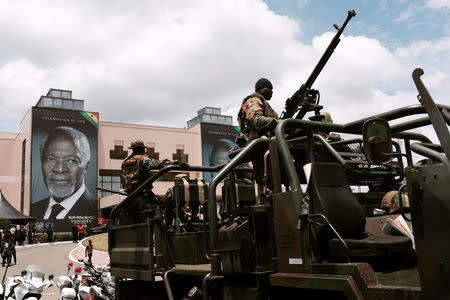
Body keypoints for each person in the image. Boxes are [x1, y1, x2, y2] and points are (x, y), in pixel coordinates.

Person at [30, 126, 97, 219]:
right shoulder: (34, 210)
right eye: (51, 159)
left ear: (86, 166)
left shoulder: (96, 210)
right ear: (41, 162)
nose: (60, 169)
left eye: (71, 160)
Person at [237, 78, 280, 200]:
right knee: (263, 180)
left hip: (266, 147)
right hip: (260, 147)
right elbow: (257, 120)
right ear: (264, 89)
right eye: (270, 90)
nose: (272, 93)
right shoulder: (253, 100)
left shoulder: (261, 102)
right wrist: (279, 122)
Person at [121, 139, 180, 211]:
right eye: (143, 149)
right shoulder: (142, 159)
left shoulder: (124, 161)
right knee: (162, 209)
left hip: (130, 196)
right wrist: (175, 162)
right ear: (141, 149)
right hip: (144, 196)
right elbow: (156, 164)